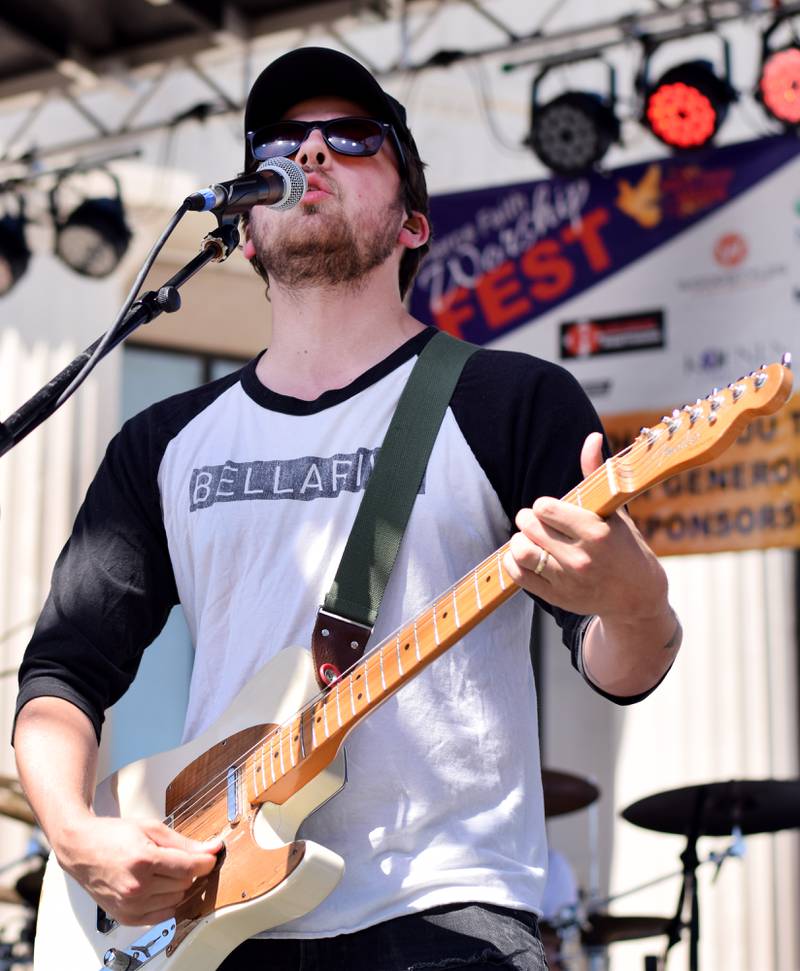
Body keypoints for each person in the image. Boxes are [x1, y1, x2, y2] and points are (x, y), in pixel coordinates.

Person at [12, 46, 681, 971]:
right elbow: (62, 671)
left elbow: (621, 667)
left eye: (354, 138)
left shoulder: (507, 401)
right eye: (285, 141)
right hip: (217, 921)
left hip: (447, 914)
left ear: (412, 224)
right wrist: (77, 835)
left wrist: (634, 601)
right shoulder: (165, 442)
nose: (312, 151)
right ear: (246, 232)